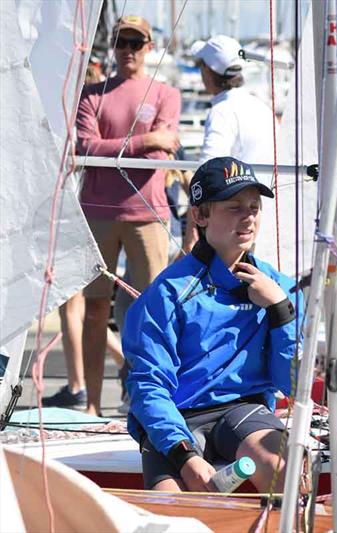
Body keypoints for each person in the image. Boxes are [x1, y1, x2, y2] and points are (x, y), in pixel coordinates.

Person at [122, 156, 302, 493]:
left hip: (243, 411)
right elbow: (148, 387)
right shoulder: (166, 294)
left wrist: (280, 311)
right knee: (168, 506)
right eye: (234, 207)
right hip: (176, 418)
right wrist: (185, 457)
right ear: (200, 216)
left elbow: (290, 385)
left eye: (254, 206)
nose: (248, 216)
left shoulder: (280, 288)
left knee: (282, 467)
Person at [76, 15, 181, 415]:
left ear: (149, 47)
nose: (129, 50)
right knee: (95, 308)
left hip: (147, 212)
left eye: (137, 43)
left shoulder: (167, 94)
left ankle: (154, 399)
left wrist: (118, 148)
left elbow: (162, 152)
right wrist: (146, 140)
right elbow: (86, 147)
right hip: (98, 212)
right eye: (122, 41)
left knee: (154, 310)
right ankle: (90, 402)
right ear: (113, 45)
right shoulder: (91, 95)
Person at [182, 35, 276, 254]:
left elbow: (205, 175)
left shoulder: (222, 111)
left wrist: (190, 234)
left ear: (207, 71)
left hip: (236, 225)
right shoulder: (261, 107)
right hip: (261, 216)